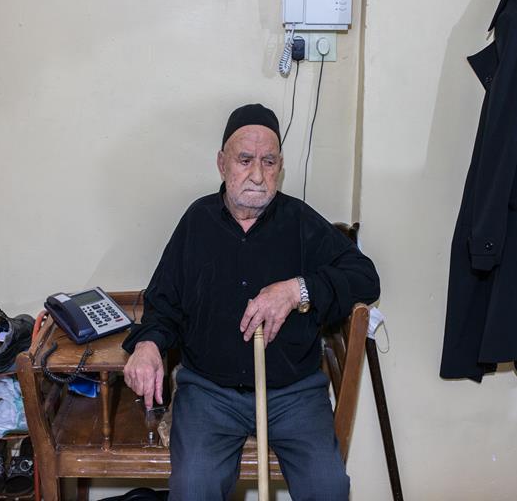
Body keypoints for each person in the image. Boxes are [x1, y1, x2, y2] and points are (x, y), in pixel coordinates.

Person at [122, 103, 380, 500]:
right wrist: (147, 345)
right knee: (193, 488)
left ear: (280, 167)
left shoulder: (299, 221)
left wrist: (296, 290)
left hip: (293, 393)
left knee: (328, 488)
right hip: (209, 392)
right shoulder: (197, 221)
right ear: (222, 164)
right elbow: (164, 302)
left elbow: (364, 277)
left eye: (268, 161)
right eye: (245, 160)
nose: (258, 175)